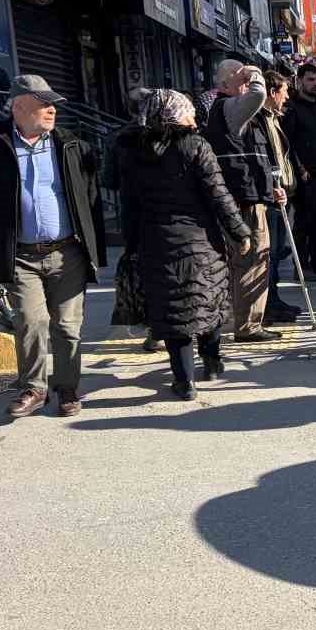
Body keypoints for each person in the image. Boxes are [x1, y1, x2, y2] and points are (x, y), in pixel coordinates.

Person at [0, 76, 106, 418]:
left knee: (67, 325)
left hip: (67, 252)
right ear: (18, 106)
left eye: (53, 103)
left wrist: (96, 249)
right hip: (20, 254)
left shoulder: (70, 144)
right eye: (42, 103)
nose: (52, 109)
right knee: (30, 320)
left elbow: (90, 198)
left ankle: (67, 388)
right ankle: (34, 388)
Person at [115, 90, 252, 400]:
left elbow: (128, 203)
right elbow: (218, 195)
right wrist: (240, 232)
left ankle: (184, 380)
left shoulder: (132, 149)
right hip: (200, 240)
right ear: (175, 115)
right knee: (209, 300)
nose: (194, 118)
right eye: (189, 112)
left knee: (173, 311)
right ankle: (213, 362)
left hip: (155, 242)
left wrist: (131, 242)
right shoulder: (196, 146)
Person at [204, 61, 287, 343]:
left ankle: (242, 321)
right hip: (243, 201)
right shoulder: (230, 107)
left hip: (250, 195)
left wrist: (272, 189)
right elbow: (258, 95)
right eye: (239, 79)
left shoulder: (238, 113)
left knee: (247, 262)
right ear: (225, 84)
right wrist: (254, 74)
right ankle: (248, 326)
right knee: (251, 263)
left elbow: (255, 159)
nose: (246, 83)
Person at [284, 61, 316, 278]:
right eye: (311, 79)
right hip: (306, 175)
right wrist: (299, 168)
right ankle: (301, 266)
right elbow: (287, 142)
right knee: (304, 221)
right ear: (299, 81)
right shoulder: (292, 108)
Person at [261, 71, 303, 324]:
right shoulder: (260, 120)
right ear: (271, 92)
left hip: (282, 193)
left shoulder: (275, 118)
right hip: (270, 196)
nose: (287, 97)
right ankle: (267, 305)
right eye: (284, 91)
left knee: (276, 253)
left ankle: (274, 300)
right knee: (271, 254)